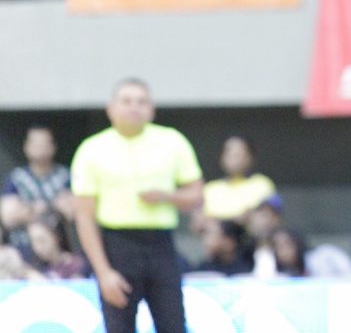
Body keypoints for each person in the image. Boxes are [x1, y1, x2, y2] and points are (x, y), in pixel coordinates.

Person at [71, 78, 203, 333]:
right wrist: (103, 272)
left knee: (173, 324)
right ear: (111, 109)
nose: (134, 107)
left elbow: (197, 195)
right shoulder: (92, 149)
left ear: (151, 110)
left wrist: (167, 196)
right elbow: (84, 216)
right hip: (117, 247)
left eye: (142, 102)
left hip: (161, 246)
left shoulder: (172, 141)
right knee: (119, 326)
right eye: (127, 101)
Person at [0, 125, 73, 257]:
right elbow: (7, 216)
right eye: (35, 144)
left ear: (53, 147)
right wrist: (41, 209)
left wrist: (31, 209)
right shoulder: (16, 178)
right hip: (21, 249)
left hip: (60, 252)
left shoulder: (65, 176)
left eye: (44, 144)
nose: (40, 148)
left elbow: (72, 212)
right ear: (26, 147)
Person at [203, 135, 276, 223]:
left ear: (250, 157)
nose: (233, 159)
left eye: (238, 154)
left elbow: (265, 218)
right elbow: (201, 221)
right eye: (229, 154)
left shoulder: (262, 184)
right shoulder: (210, 188)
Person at [26, 214, 87, 279]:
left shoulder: (75, 265)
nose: (37, 247)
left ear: (56, 237)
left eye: (41, 240)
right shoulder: (34, 267)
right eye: (33, 242)